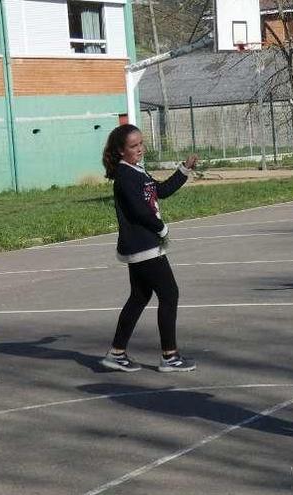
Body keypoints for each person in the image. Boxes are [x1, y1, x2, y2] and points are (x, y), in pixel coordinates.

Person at [100, 124, 198, 373]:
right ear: (121, 151)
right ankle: (170, 356)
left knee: (139, 296)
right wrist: (161, 227)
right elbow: (139, 211)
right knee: (169, 293)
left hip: (145, 244)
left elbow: (160, 191)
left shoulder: (137, 171)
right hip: (143, 245)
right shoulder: (124, 177)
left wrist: (183, 170)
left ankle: (116, 353)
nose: (140, 149)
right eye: (133, 146)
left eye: (141, 143)